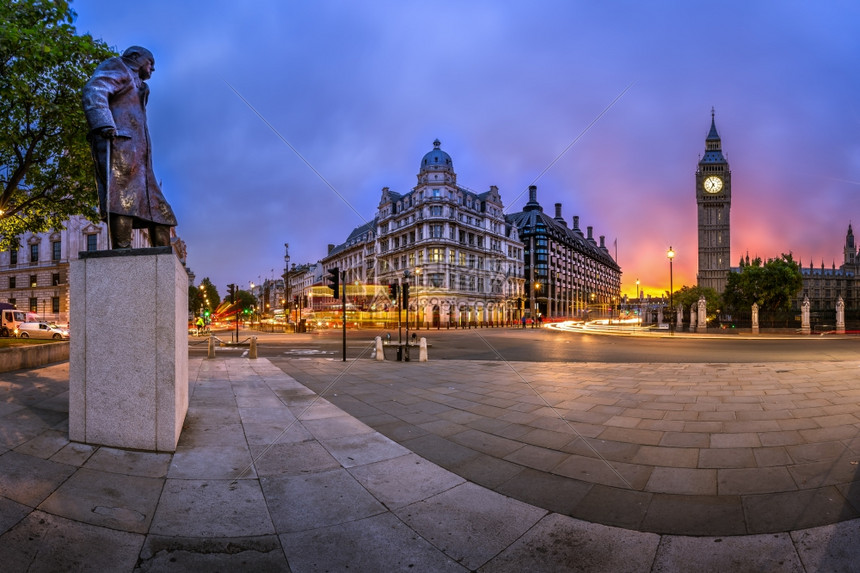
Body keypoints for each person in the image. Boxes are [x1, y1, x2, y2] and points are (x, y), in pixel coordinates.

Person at [82, 46, 177, 249]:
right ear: (135, 57)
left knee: (160, 211)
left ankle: (163, 258)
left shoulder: (140, 85)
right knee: (121, 197)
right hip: (118, 143)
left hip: (139, 155)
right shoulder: (118, 66)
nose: (153, 69)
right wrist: (103, 123)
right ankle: (122, 250)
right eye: (150, 63)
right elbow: (94, 90)